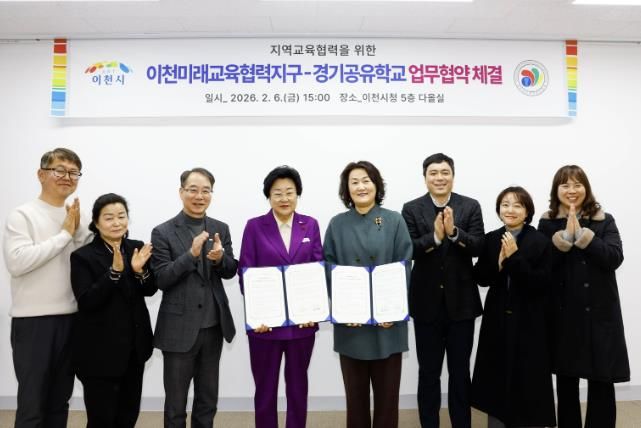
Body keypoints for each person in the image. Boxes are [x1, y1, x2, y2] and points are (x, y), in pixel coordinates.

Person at [2, 147, 91, 428]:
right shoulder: (23, 214)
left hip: (71, 319)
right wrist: (65, 234)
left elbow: (90, 260)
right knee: (33, 405)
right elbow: (17, 262)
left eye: (74, 172)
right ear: (41, 175)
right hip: (34, 322)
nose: (67, 177)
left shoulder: (76, 216)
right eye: (59, 170)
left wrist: (77, 231)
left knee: (59, 403)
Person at [538, 165, 629, 428]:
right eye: (565, 185)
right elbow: (543, 264)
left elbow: (614, 257)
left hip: (600, 313)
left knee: (602, 380)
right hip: (564, 315)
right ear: (556, 190)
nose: (572, 190)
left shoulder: (604, 220)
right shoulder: (547, 223)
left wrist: (583, 235)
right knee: (566, 382)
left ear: (586, 189)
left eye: (577, 184)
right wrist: (565, 238)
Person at [323, 160, 412, 428]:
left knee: (387, 401)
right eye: (354, 182)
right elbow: (328, 267)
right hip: (352, 325)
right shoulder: (337, 224)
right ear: (346, 189)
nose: (361, 186)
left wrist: (392, 310)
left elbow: (404, 266)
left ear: (376, 185)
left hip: (388, 324)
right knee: (356, 400)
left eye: (366, 180)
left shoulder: (394, 220)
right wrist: (344, 309)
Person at [401, 153, 484, 428]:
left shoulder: (470, 206)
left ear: (453, 176)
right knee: (429, 373)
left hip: (462, 304)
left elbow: (479, 246)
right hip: (426, 304)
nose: (439, 177)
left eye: (445, 172)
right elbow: (408, 249)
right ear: (425, 178)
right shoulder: (411, 209)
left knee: (460, 373)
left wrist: (454, 233)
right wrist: (435, 237)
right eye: (433, 173)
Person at [151, 167, 237, 428]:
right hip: (178, 329)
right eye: (193, 190)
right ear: (181, 192)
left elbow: (231, 270)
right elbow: (162, 278)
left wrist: (220, 259)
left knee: (207, 401)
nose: (200, 196)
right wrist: (190, 255)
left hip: (213, 327)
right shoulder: (162, 232)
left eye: (206, 191)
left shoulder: (220, 228)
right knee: (176, 406)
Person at [238, 166, 323, 428]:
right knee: (265, 389)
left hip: (302, 325)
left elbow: (318, 271)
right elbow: (245, 273)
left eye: (290, 192)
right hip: (265, 326)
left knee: (298, 388)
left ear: (298, 195)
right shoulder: (254, 226)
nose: (284, 198)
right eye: (277, 193)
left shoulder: (310, 224)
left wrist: (313, 311)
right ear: (268, 196)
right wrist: (258, 315)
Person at [471, 186, 556, 428]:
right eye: (505, 204)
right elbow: (480, 277)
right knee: (496, 379)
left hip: (529, 321)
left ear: (527, 211)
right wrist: (498, 264)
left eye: (518, 205)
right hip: (497, 319)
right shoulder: (491, 238)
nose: (510, 210)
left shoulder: (540, 241)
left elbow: (542, 282)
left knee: (527, 380)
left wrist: (515, 258)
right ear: (499, 209)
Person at [70, 193, 156, 428]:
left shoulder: (136, 248)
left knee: (128, 417)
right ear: (96, 223)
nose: (117, 222)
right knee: (102, 419)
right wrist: (114, 273)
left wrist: (140, 271)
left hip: (135, 350)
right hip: (99, 355)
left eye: (121, 216)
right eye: (109, 218)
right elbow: (87, 301)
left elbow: (150, 289)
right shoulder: (82, 257)